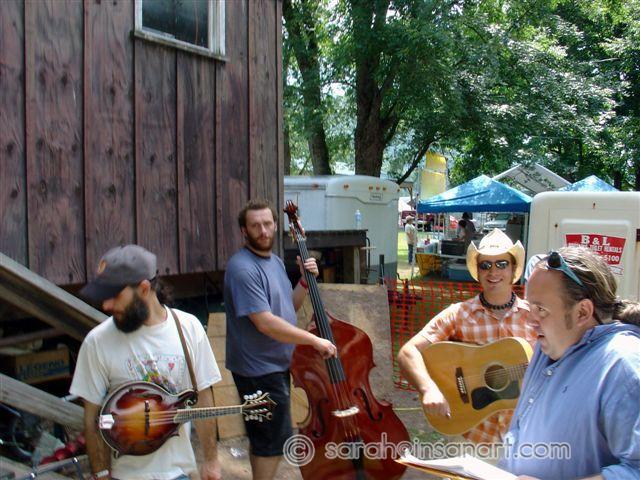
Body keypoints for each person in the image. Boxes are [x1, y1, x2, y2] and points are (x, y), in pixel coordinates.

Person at [70, 245, 222, 480]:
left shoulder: (189, 329)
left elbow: (203, 398)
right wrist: (101, 473)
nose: (106, 305)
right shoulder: (97, 342)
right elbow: (92, 419)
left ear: (143, 289)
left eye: (115, 295)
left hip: (178, 473)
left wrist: (211, 460)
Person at [500, 246, 640, 479]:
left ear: (582, 312)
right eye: (529, 307)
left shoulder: (622, 365)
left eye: (541, 310)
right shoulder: (549, 346)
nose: (530, 321)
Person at [224, 199, 337, 480]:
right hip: (257, 371)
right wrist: (314, 341)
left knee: (264, 440)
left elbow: (289, 308)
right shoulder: (242, 268)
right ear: (244, 231)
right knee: (272, 444)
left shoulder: (273, 262)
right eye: (255, 226)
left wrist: (304, 281)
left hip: (274, 365)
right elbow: (265, 323)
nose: (263, 231)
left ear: (276, 225)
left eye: (267, 224)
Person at [397, 229, 536, 444]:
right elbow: (408, 352)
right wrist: (428, 389)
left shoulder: (536, 317)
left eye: (501, 264)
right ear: (478, 271)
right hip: (474, 437)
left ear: (513, 268)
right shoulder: (458, 314)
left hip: (526, 437)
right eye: (485, 265)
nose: (493, 271)